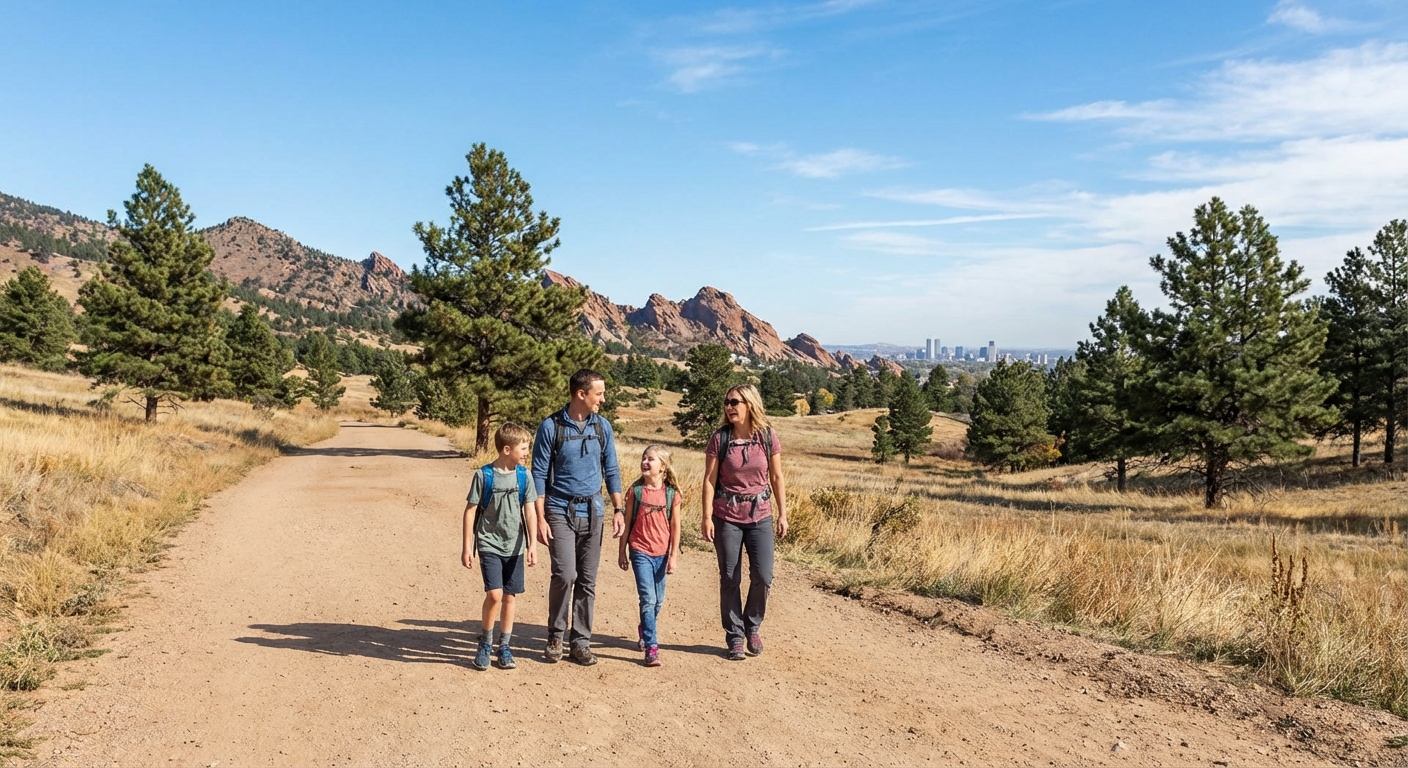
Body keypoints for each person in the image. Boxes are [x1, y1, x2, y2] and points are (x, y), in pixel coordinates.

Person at [532, 368, 624, 666]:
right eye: (599, 393)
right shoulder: (551, 427)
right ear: (580, 394)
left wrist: (619, 509)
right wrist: (540, 517)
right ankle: (556, 634)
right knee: (565, 575)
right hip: (559, 510)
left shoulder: (603, 427)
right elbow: (538, 474)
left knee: (587, 579)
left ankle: (580, 642)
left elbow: (612, 470)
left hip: (594, 511)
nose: (603, 399)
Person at [701, 384, 788, 661]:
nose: (729, 407)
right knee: (730, 577)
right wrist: (705, 516)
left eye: (735, 402)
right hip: (727, 516)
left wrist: (783, 513)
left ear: (750, 404)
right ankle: (735, 636)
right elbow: (709, 480)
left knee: (763, 576)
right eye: (726, 402)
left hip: (760, 514)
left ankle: (753, 626)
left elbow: (776, 478)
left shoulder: (767, 436)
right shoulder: (720, 438)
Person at [461, 422, 539, 671]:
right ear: (507, 449)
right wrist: (466, 547)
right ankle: (485, 642)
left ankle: (504, 646)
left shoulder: (524, 476)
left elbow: (530, 510)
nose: (527, 452)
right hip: (489, 542)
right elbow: (470, 511)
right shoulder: (484, 475)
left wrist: (533, 545)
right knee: (494, 595)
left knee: (509, 597)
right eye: (524, 448)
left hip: (515, 545)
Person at [616, 445, 682, 667]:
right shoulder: (635, 492)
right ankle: (652, 647)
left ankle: (645, 629)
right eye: (644, 458)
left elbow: (676, 528)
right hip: (640, 551)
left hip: (662, 554)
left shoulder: (671, 495)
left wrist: (673, 556)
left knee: (658, 601)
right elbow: (626, 525)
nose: (645, 462)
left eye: (651, 459)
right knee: (648, 598)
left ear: (662, 466)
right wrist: (622, 552)